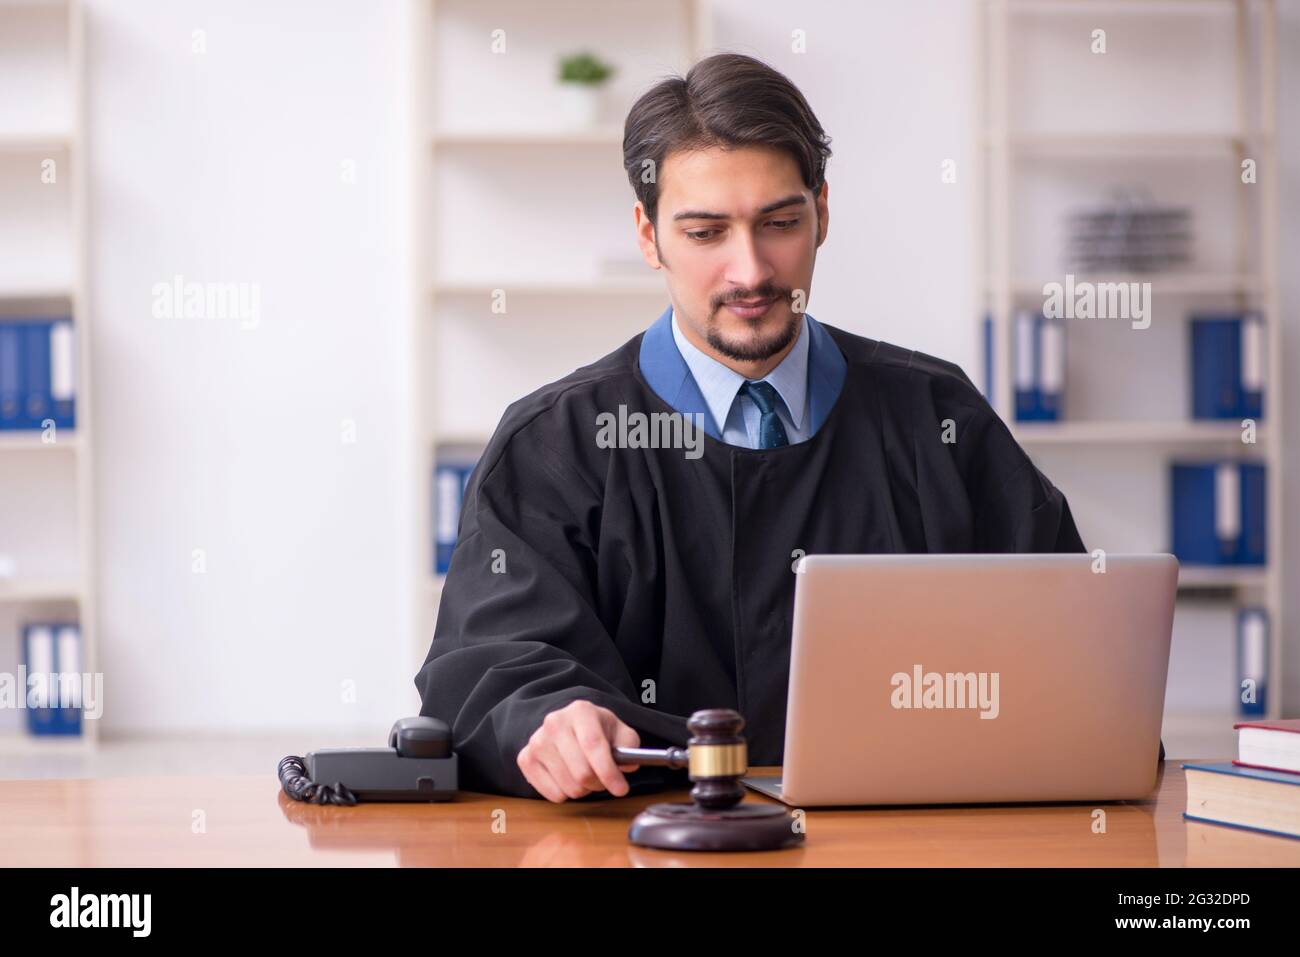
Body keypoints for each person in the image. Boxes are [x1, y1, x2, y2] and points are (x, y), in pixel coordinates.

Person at [415, 52, 1113, 803]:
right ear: (649, 236)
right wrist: (549, 719)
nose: (750, 271)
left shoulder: (938, 419)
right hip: (643, 841)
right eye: (706, 232)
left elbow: (1072, 652)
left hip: (899, 844)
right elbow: (490, 664)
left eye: (779, 223)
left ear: (822, 210)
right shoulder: (554, 445)